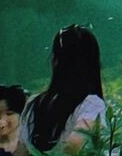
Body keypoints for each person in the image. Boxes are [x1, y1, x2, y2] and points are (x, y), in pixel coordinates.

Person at [21, 26, 106, 156]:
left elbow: (21, 149)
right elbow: (73, 145)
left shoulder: (34, 103)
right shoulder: (91, 104)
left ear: (55, 61)